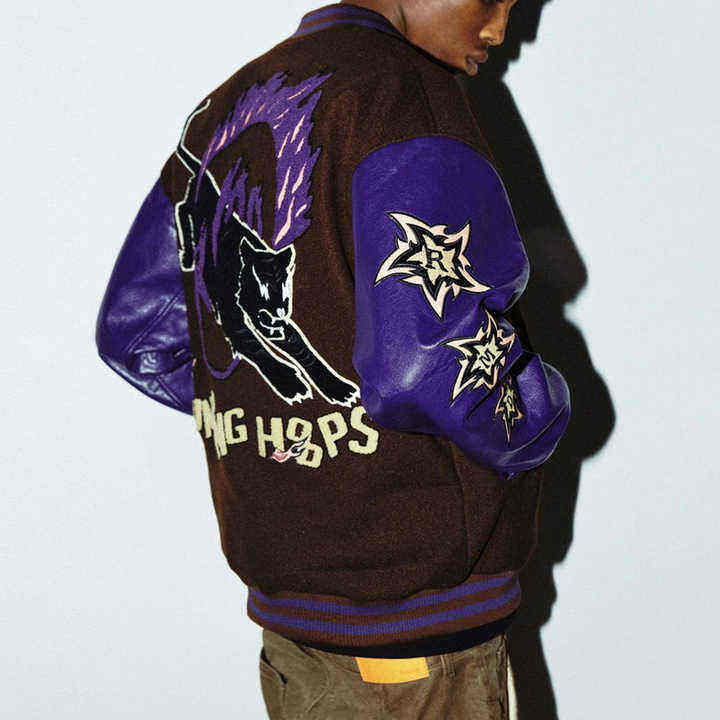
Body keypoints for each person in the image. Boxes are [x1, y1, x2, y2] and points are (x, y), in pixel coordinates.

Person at [94, 0, 571, 717]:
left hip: (294, 620)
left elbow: (137, 333)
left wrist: (287, 420)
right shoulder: (403, 95)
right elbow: (427, 364)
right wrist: (545, 410)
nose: (501, 29)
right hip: (415, 627)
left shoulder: (226, 106)